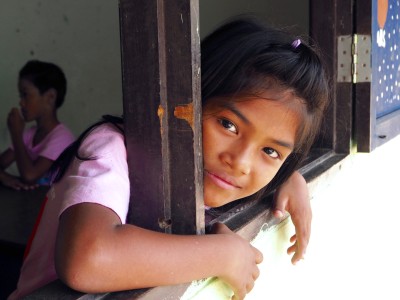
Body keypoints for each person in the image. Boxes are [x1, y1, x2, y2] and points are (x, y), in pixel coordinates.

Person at [9, 16, 329, 300]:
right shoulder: (112, 147)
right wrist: (221, 255)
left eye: (270, 151)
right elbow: (87, 260)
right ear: (187, 100)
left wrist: (289, 177)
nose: (241, 162)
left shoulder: (214, 174)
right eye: (228, 125)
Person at [0, 60, 75, 190]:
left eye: (25, 95)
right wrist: (4, 177)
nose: (21, 103)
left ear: (50, 97)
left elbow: (30, 176)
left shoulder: (62, 137)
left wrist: (16, 134)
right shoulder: (31, 133)